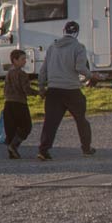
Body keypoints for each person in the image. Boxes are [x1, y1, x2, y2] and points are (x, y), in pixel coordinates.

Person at [37, 20, 97, 161]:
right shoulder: (79, 47)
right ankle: (86, 148)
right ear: (76, 33)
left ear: (64, 31)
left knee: (50, 122)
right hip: (71, 90)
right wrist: (91, 75)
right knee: (81, 120)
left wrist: (41, 86)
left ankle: (43, 150)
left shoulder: (52, 47)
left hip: (53, 90)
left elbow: (43, 70)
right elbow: (80, 68)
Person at [0, 48, 33, 159]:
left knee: (11, 129)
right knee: (26, 127)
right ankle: (14, 146)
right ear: (15, 60)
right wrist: (39, 93)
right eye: (22, 59)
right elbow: (26, 90)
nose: (25, 61)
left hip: (8, 103)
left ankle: (11, 151)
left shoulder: (9, 73)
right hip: (20, 103)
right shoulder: (22, 74)